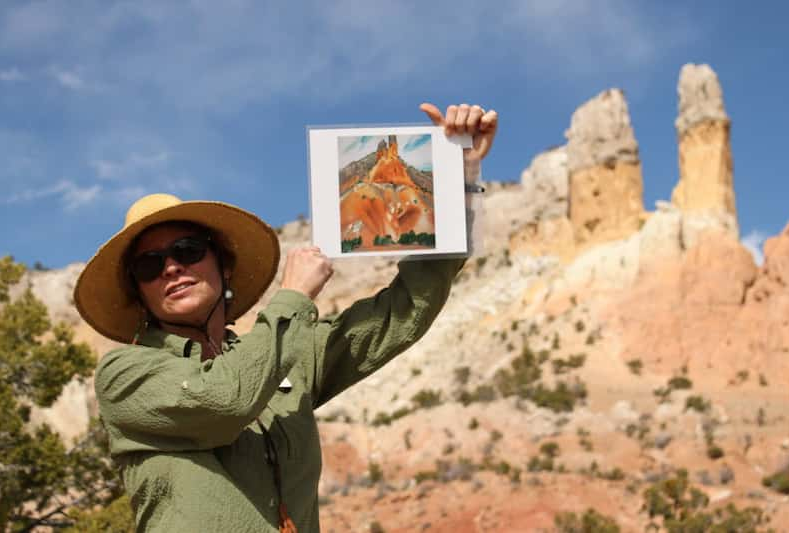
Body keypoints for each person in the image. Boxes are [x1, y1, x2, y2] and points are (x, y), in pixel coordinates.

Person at [75, 102, 497, 532]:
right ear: (140, 293)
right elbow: (225, 399)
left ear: (223, 266)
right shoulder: (125, 374)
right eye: (149, 266)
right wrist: (294, 296)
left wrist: (458, 182)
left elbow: (402, 311)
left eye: (186, 252)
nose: (170, 268)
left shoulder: (289, 350)